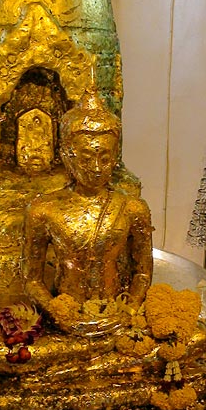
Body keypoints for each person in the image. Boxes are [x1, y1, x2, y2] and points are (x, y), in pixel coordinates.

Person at [23, 84, 153, 325]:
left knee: (199, 337)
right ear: (65, 155)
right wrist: (59, 314)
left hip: (117, 316)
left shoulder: (132, 208)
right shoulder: (44, 210)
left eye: (104, 158)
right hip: (66, 318)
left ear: (115, 158)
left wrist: (129, 310)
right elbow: (32, 281)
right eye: (86, 158)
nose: (95, 168)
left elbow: (143, 274)